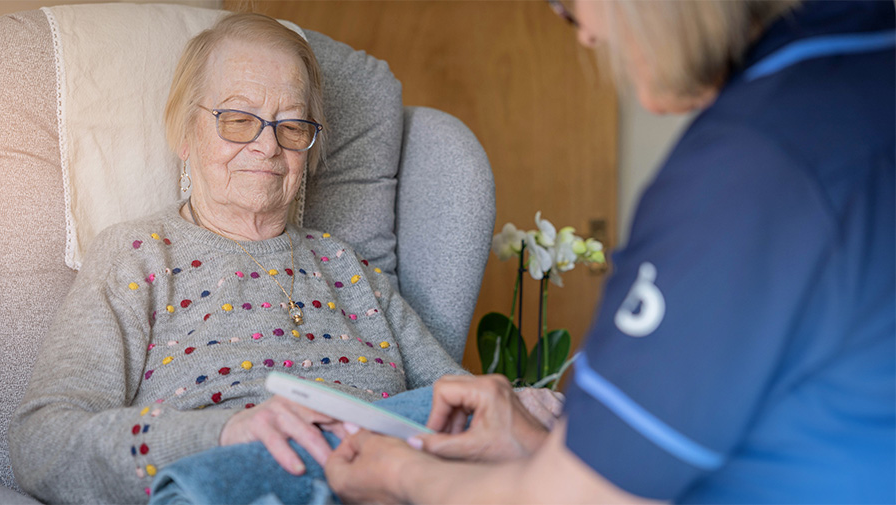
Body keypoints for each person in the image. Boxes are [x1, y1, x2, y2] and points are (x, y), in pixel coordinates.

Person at [324, 0, 896, 503]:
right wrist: (547, 447)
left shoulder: (747, 171)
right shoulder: (865, 64)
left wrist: (403, 475)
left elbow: (579, 498)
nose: (584, 34)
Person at [7, 12, 554, 504]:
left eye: (291, 126)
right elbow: (42, 441)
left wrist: (523, 407)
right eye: (238, 120)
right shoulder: (138, 257)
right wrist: (223, 433)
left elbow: (458, 399)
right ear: (185, 133)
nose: (267, 147)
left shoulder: (347, 266)